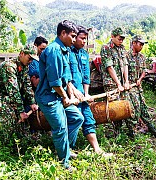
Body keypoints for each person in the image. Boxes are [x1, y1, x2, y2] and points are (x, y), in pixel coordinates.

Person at [35, 20, 84, 170]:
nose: (75, 40)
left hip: (58, 94)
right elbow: (55, 82)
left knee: (77, 118)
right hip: (48, 97)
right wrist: (66, 98)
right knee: (60, 127)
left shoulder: (65, 49)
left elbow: (66, 78)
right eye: (73, 36)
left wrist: (73, 92)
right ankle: (64, 162)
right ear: (63, 33)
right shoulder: (54, 50)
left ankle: (66, 150)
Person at [69, 25, 112, 157]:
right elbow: (64, 77)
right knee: (73, 120)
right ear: (74, 38)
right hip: (70, 95)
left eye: (85, 39)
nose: (84, 42)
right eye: (82, 38)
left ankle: (97, 149)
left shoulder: (84, 54)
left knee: (88, 119)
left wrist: (86, 94)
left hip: (82, 95)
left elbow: (86, 76)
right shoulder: (66, 52)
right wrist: (73, 92)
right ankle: (67, 148)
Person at [0, 45, 38, 137]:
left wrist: (32, 102)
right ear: (22, 54)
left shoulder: (25, 66)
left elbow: (27, 85)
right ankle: (10, 144)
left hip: (6, 94)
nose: (30, 62)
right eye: (29, 58)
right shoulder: (9, 66)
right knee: (9, 116)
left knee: (19, 116)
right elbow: (13, 90)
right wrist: (21, 111)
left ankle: (23, 138)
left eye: (32, 59)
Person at [126, 35, 156, 138]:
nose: (142, 46)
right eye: (140, 44)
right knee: (135, 108)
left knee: (143, 108)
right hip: (129, 88)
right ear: (134, 43)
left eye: (143, 44)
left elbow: (144, 70)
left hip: (138, 86)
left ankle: (153, 130)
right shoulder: (126, 56)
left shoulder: (142, 57)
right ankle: (132, 133)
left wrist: (140, 79)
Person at [100, 27, 129, 94]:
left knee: (125, 103)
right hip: (111, 82)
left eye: (122, 39)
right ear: (112, 36)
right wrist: (118, 84)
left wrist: (126, 81)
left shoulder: (122, 48)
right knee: (114, 103)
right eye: (119, 39)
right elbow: (109, 67)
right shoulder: (106, 48)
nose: (121, 41)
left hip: (121, 81)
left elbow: (125, 64)